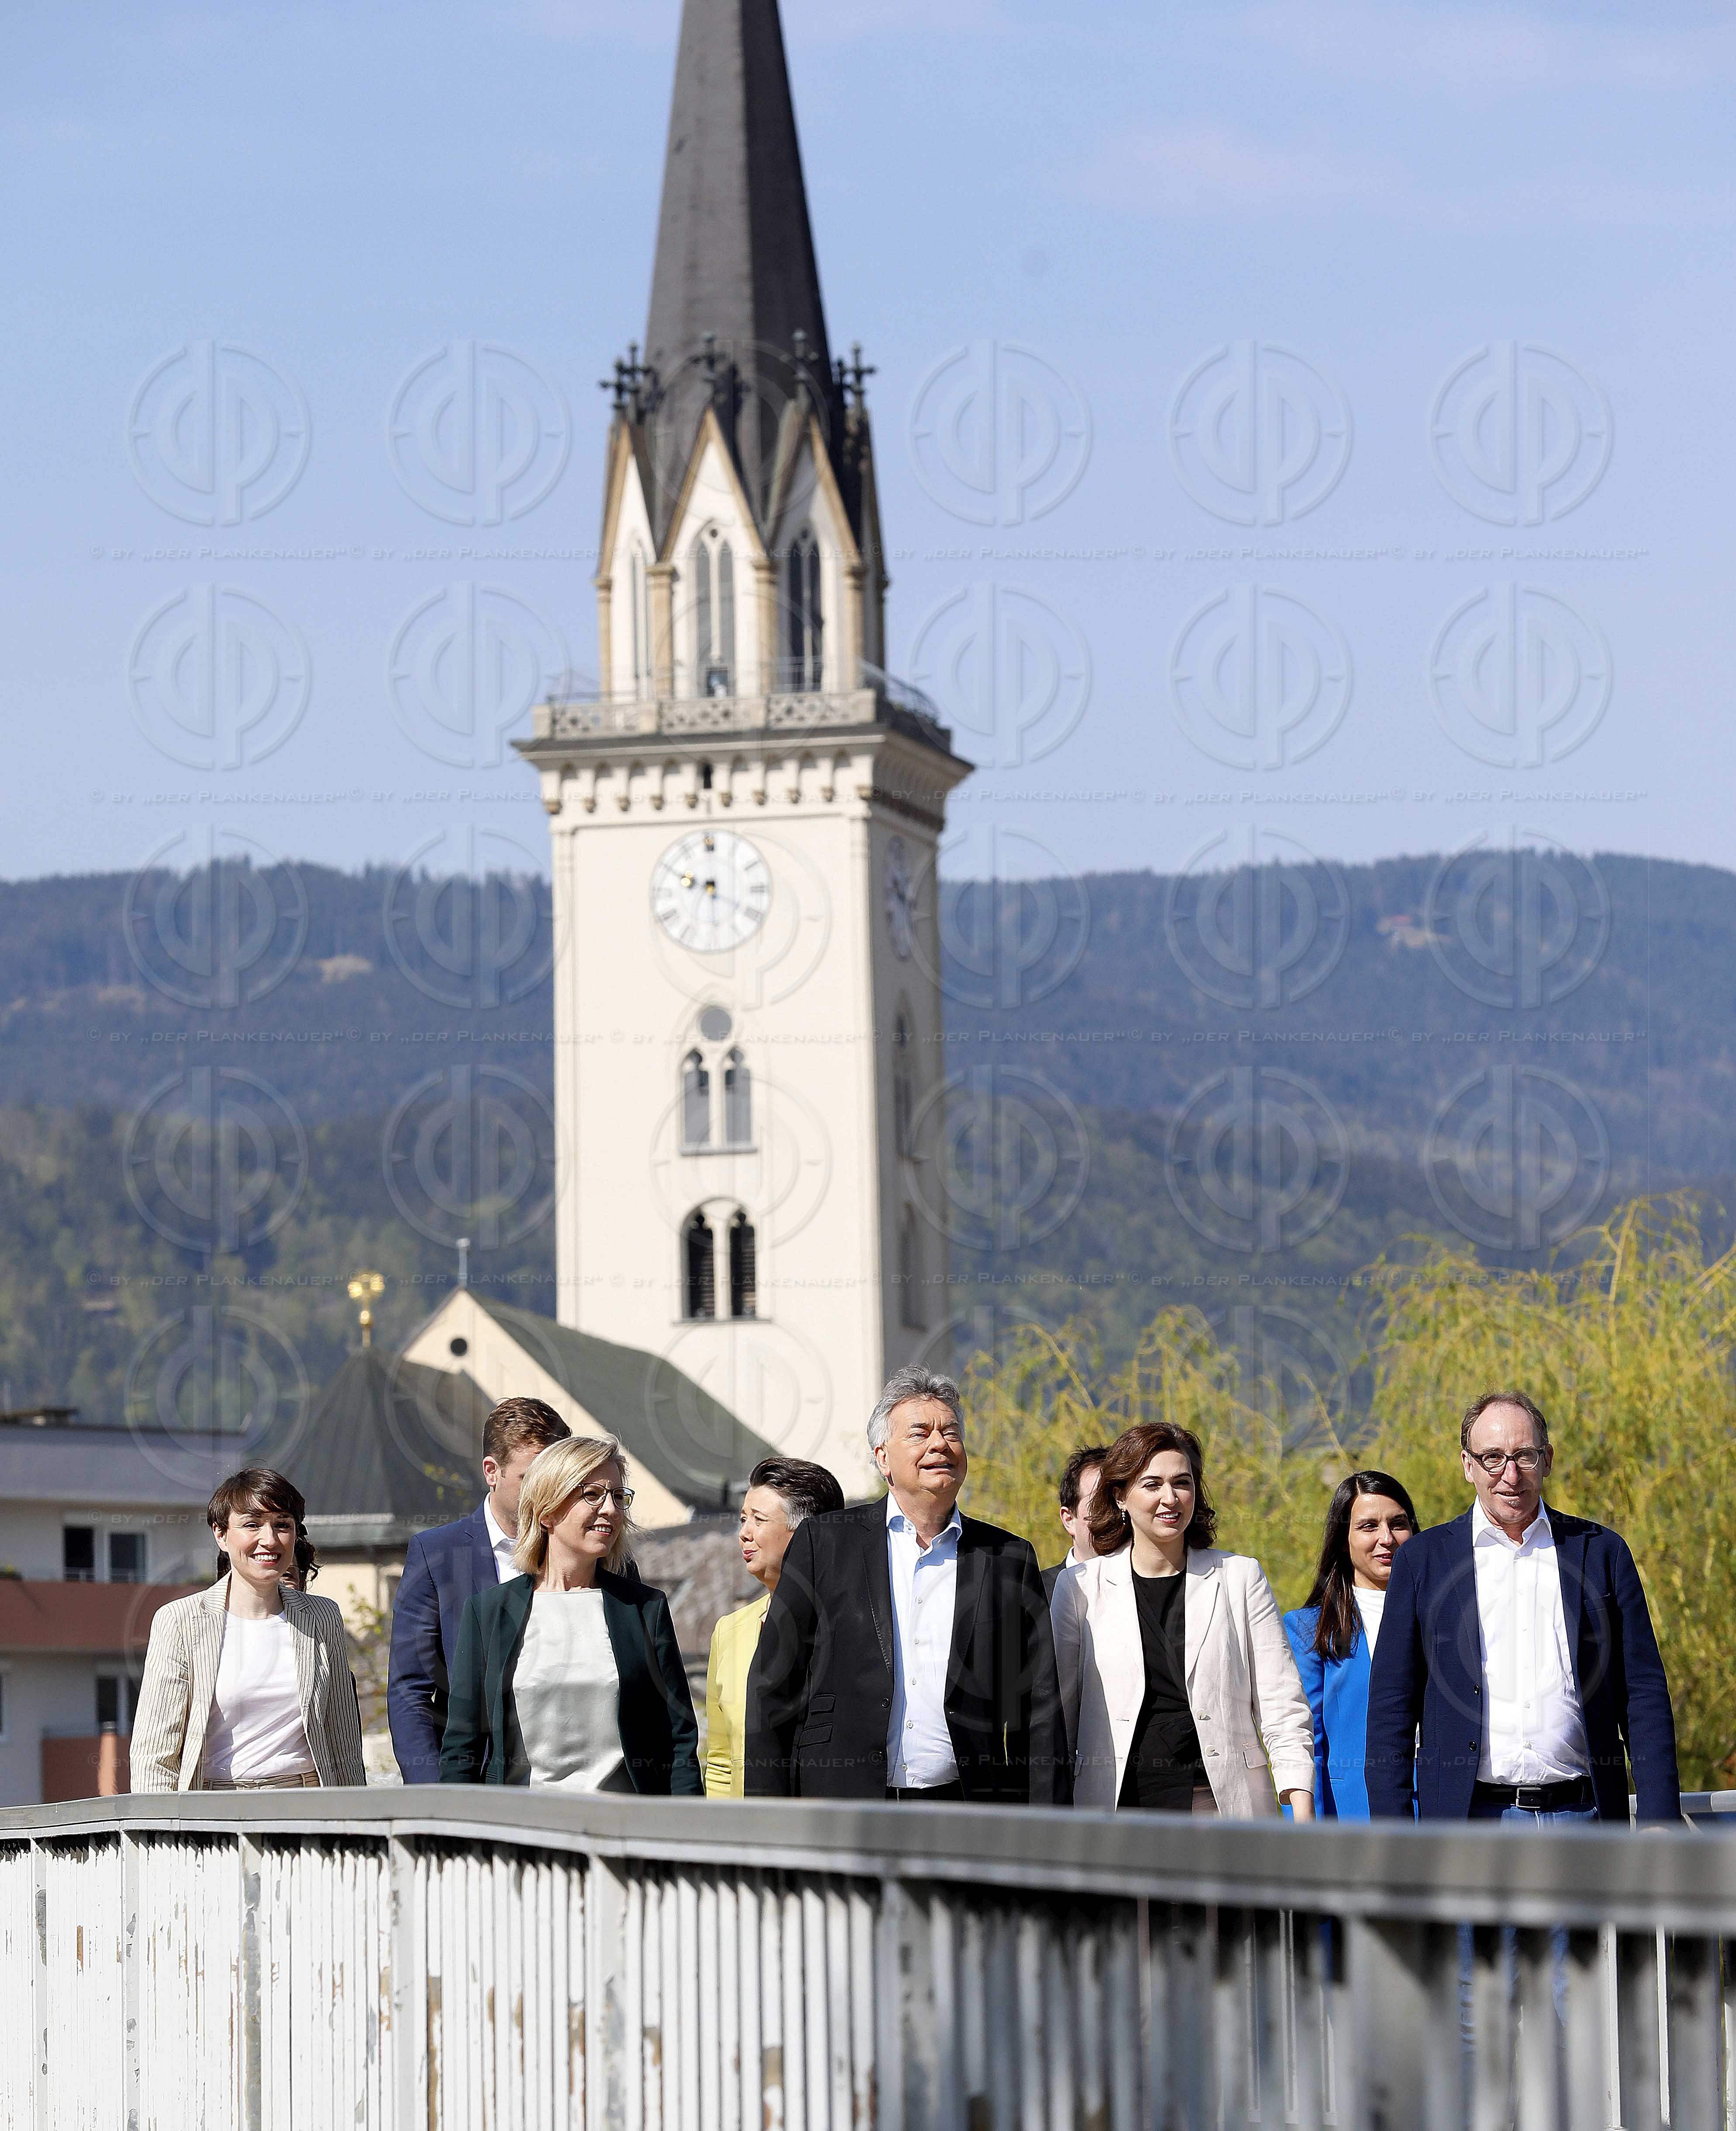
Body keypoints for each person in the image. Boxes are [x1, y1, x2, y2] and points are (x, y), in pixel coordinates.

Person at [744, 1365, 1069, 1803]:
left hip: (966, 1804)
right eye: (920, 1433)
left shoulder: (1007, 1558)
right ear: (883, 1458)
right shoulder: (825, 1543)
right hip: (842, 1800)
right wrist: (768, 1815)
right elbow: (773, 1687)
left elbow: (1040, 1704)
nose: (940, 1444)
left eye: (951, 1433)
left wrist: (1049, 1822)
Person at [1365, 1391, 1680, 1824]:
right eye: (1492, 1457)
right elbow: (1391, 1709)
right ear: (1468, 1465)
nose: (1510, 1475)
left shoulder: (1602, 1553)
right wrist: (1394, 1837)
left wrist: (1659, 1820)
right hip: (1470, 1824)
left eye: (1524, 1456)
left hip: (1584, 1819)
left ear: (1547, 1459)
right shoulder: (1423, 1562)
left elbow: (1642, 1693)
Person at [1052, 1421, 1315, 1817]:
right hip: (1118, 1806)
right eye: (1152, 1485)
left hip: (1220, 1804)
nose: (1170, 1498)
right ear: (1121, 1496)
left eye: (1182, 1483)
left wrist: (1302, 1807)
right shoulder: (1080, 1587)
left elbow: (1282, 1704)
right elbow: (1060, 1714)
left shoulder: (1240, 1578)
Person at [439, 1435, 699, 1792]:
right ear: (547, 1512)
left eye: (618, 1497)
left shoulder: (644, 1609)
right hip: (522, 1822)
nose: (610, 1509)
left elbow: (679, 1740)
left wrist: (684, 1823)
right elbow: (461, 1750)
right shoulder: (489, 1613)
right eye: (592, 1494)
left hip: (624, 1822)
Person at [131, 1468, 367, 1792]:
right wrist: (158, 1822)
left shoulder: (322, 1616)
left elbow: (343, 1740)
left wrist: (355, 1814)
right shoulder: (181, 1621)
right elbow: (155, 1756)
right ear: (221, 1535)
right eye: (252, 1525)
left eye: (282, 1525)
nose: (269, 1540)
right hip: (216, 1806)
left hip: (307, 1801)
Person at [389, 1396, 570, 1783]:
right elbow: (411, 1692)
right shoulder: (437, 1555)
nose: (547, 1494)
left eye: (558, 1480)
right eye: (531, 1479)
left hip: (582, 1784)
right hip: (479, 1784)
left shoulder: (598, 1558)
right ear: (492, 1471)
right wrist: (435, 1797)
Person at [703, 1457, 844, 1797]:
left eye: (759, 1520)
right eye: (743, 1520)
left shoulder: (851, 1625)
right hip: (748, 1824)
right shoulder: (729, 1631)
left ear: (808, 1534)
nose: (744, 1533)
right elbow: (721, 1760)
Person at [1282, 1471, 1419, 1819]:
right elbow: (1302, 1740)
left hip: (1439, 1818)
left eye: (1398, 1524)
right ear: (1343, 1540)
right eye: (1368, 1526)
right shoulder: (1309, 1630)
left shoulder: (1446, 1620)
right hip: (1350, 1816)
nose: (1386, 1539)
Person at [1042, 1444, 1114, 1601]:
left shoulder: (1146, 1589)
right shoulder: (1035, 1593)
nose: (1111, 1516)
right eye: (1098, 1506)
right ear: (1069, 1520)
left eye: (1118, 1503)